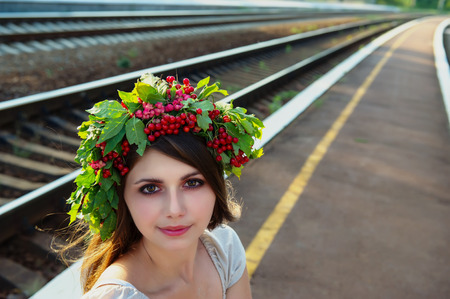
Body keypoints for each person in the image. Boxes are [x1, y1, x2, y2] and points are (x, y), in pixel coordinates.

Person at [61, 73, 264, 298]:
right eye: (150, 188)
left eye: (192, 183)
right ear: (122, 198)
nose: (175, 210)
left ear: (215, 186)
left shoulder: (225, 249)